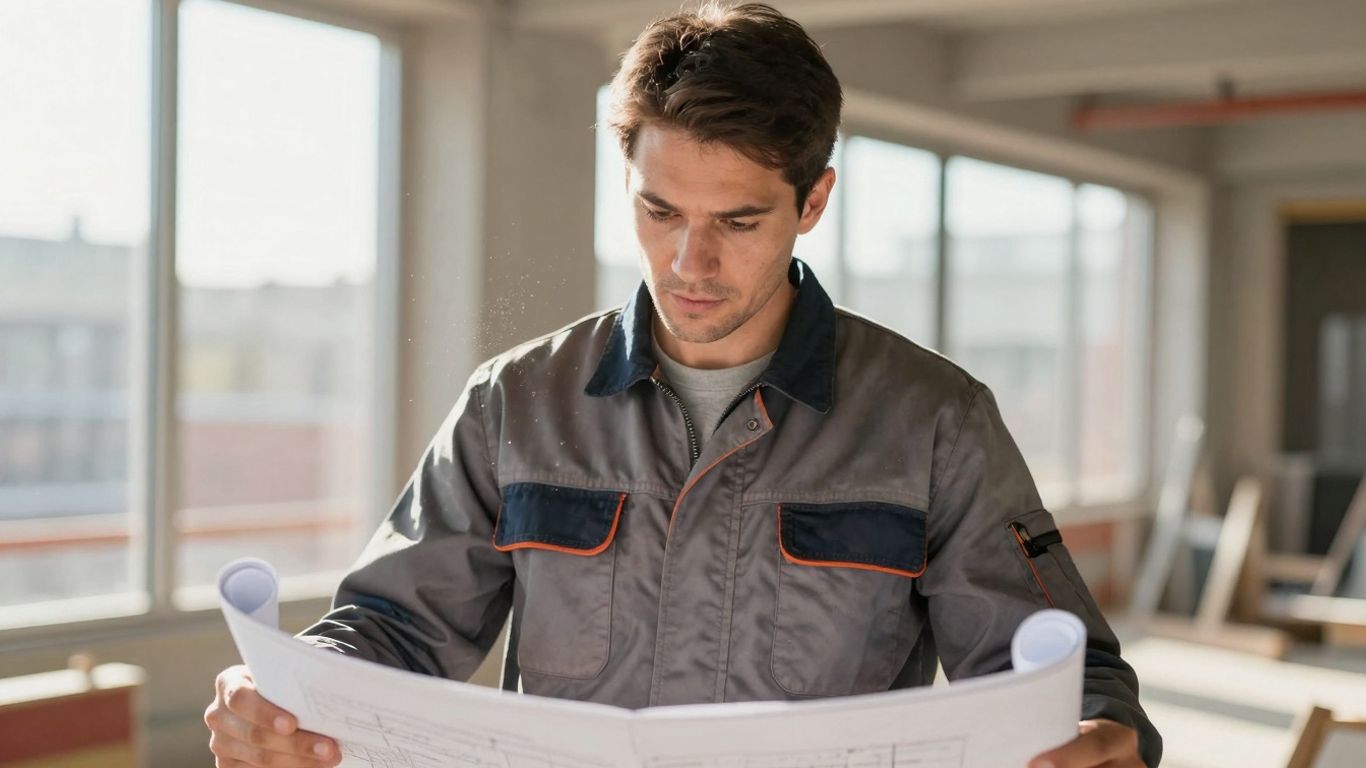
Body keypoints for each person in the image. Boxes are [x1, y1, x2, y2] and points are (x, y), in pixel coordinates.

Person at [204, 3, 1161, 767]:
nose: (689, 261)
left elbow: (1064, 673)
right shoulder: (516, 403)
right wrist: (291, 699)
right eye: (659, 211)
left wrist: (1100, 737)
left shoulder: (933, 421)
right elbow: (390, 627)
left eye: (738, 222)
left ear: (813, 201)